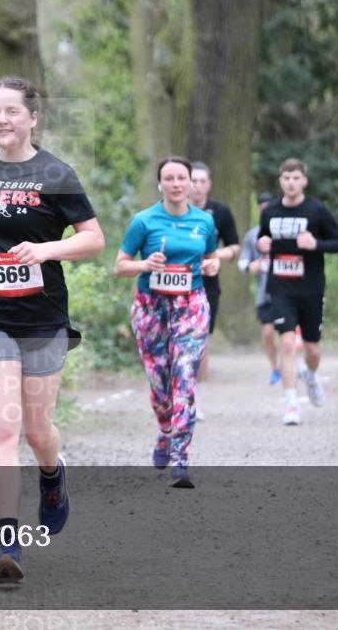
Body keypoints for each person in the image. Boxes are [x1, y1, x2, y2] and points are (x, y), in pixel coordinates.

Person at [0, 76, 104, 583]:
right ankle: (7, 539)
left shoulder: (56, 173)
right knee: (1, 425)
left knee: (37, 431)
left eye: (12, 111)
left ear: (33, 118)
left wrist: (45, 250)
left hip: (41, 319)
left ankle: (52, 475)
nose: (1, 120)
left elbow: (93, 239)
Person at [114, 156, 218, 487]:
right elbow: (120, 266)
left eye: (181, 178)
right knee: (161, 388)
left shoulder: (204, 221)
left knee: (184, 378)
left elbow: (210, 257)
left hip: (191, 306)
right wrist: (144, 266)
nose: (176, 184)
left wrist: (212, 265)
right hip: (151, 307)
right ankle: (165, 430)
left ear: (191, 183)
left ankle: (180, 459)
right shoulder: (143, 221)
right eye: (169, 178)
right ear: (160, 184)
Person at [257, 158, 338, 426]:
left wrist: (315, 243)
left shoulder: (317, 211)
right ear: (280, 181)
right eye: (286, 178)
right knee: (286, 343)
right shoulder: (270, 211)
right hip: (281, 287)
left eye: (296, 178)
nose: (291, 183)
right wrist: (263, 243)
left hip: (311, 288)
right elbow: (264, 239)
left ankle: (312, 377)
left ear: (304, 180)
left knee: (313, 349)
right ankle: (292, 405)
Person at [188, 162, 241, 419]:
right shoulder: (172, 211)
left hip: (206, 285)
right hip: (171, 284)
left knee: (202, 342)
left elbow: (235, 248)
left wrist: (214, 255)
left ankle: (193, 396)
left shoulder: (220, 212)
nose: (197, 186)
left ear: (209, 184)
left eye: (202, 181)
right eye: (193, 180)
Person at [238, 192, 281, 385]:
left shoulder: (285, 231)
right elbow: (242, 262)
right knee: (268, 334)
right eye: (263, 209)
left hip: (288, 292)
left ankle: (293, 366)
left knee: (289, 336)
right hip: (264, 294)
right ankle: (276, 369)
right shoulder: (252, 235)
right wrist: (250, 266)